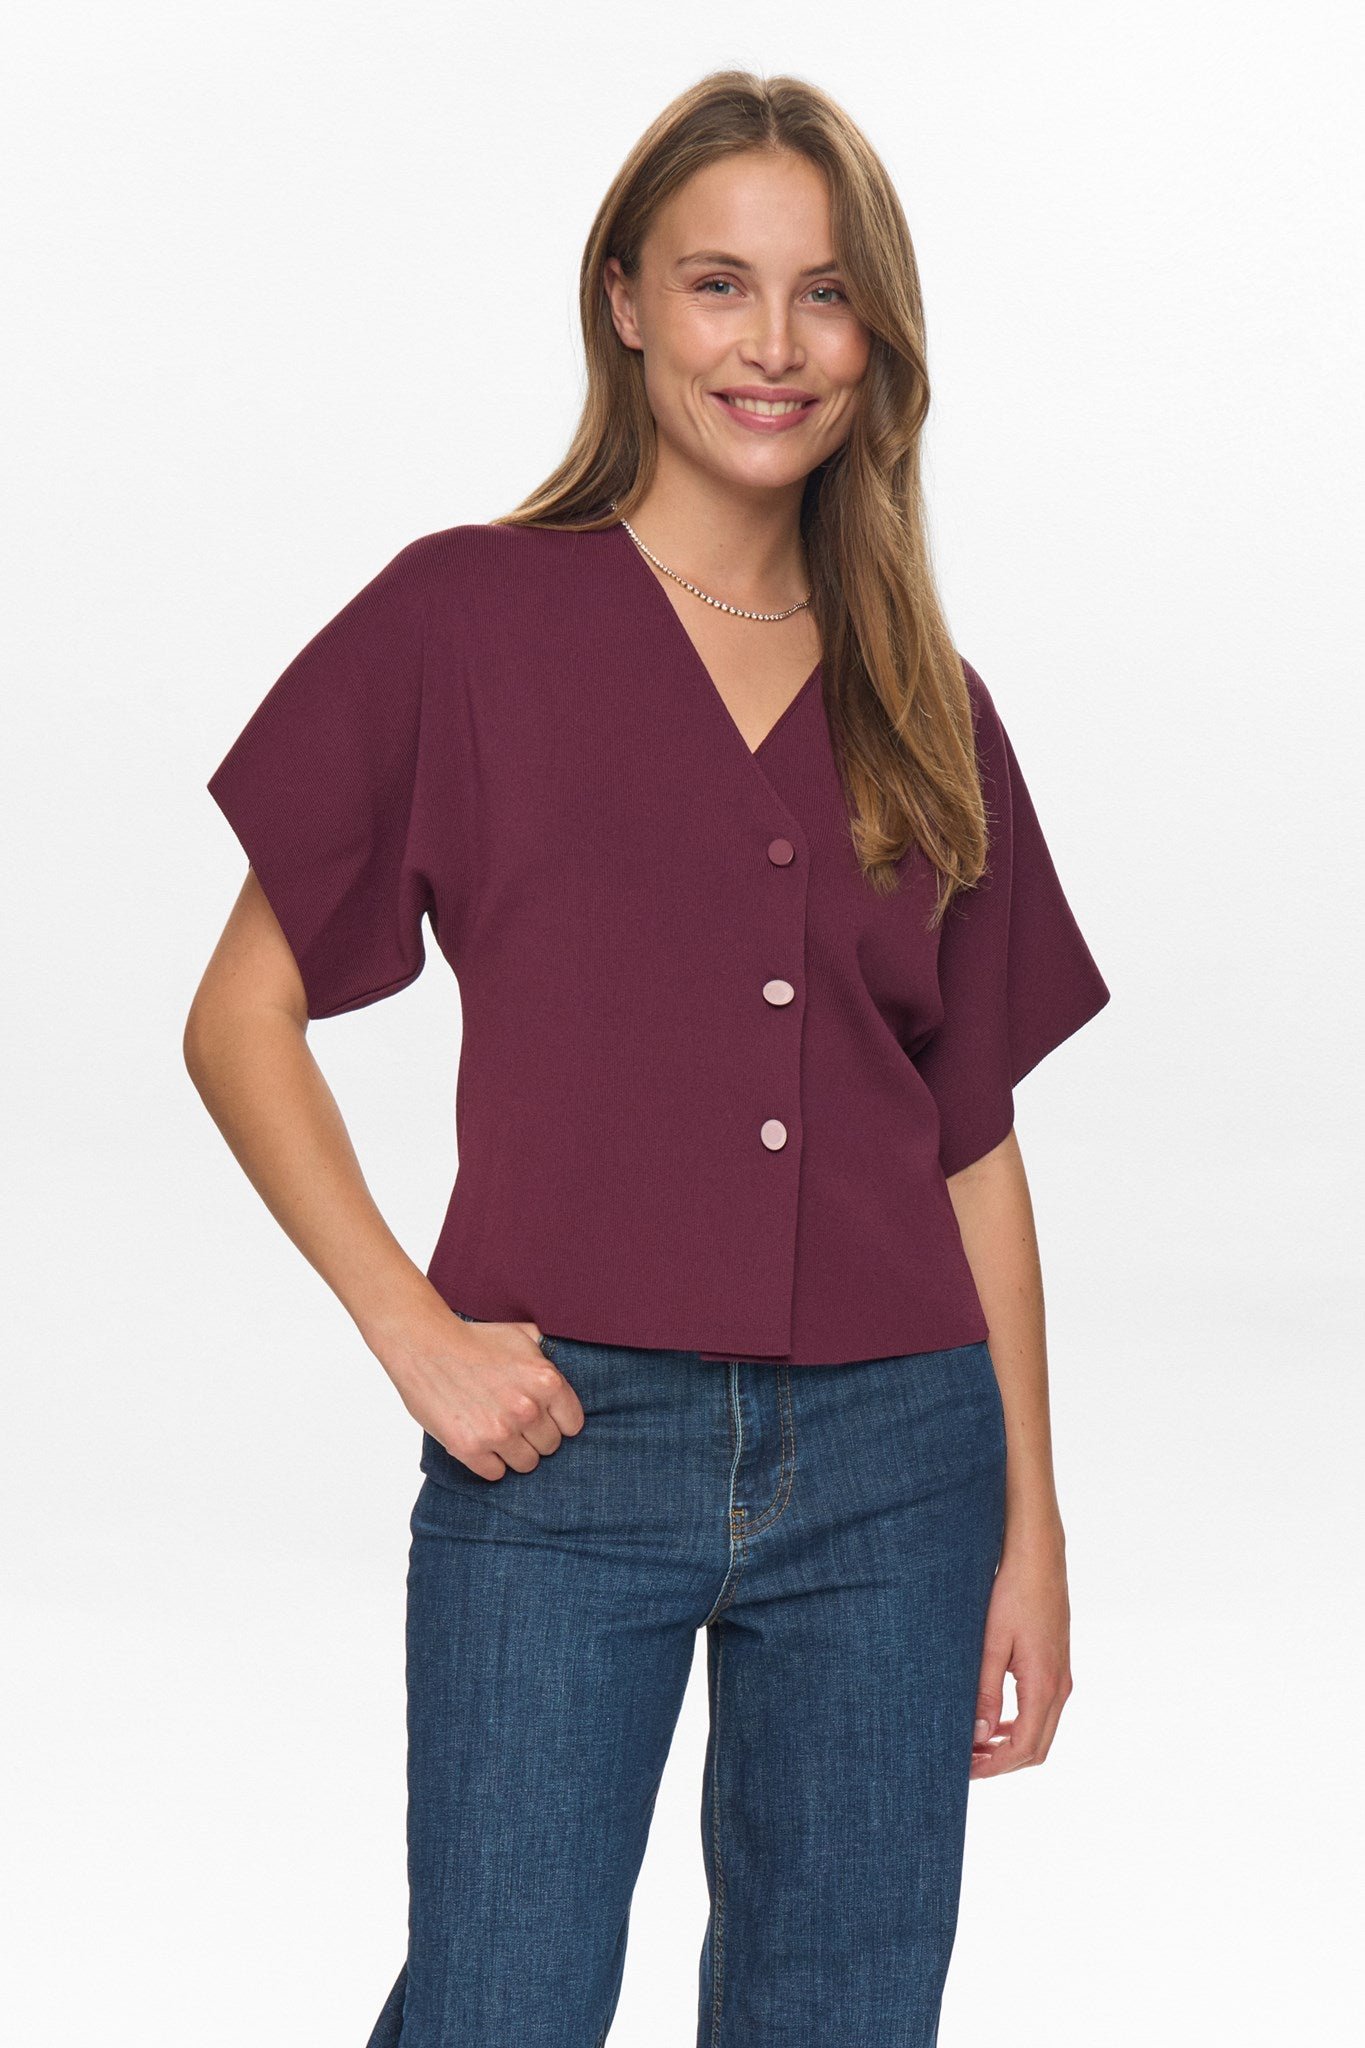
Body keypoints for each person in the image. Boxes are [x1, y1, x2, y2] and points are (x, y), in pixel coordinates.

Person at [185, 68, 1111, 2048]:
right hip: (561, 1441)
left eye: (823, 294)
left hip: (896, 1463)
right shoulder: (465, 619)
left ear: (877, 338)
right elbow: (236, 1018)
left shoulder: (924, 701)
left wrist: (1028, 1527)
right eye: (717, 284)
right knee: (498, 2005)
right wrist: (415, 1332)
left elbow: (969, 1142)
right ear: (622, 302)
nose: (772, 345)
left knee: (840, 2011)